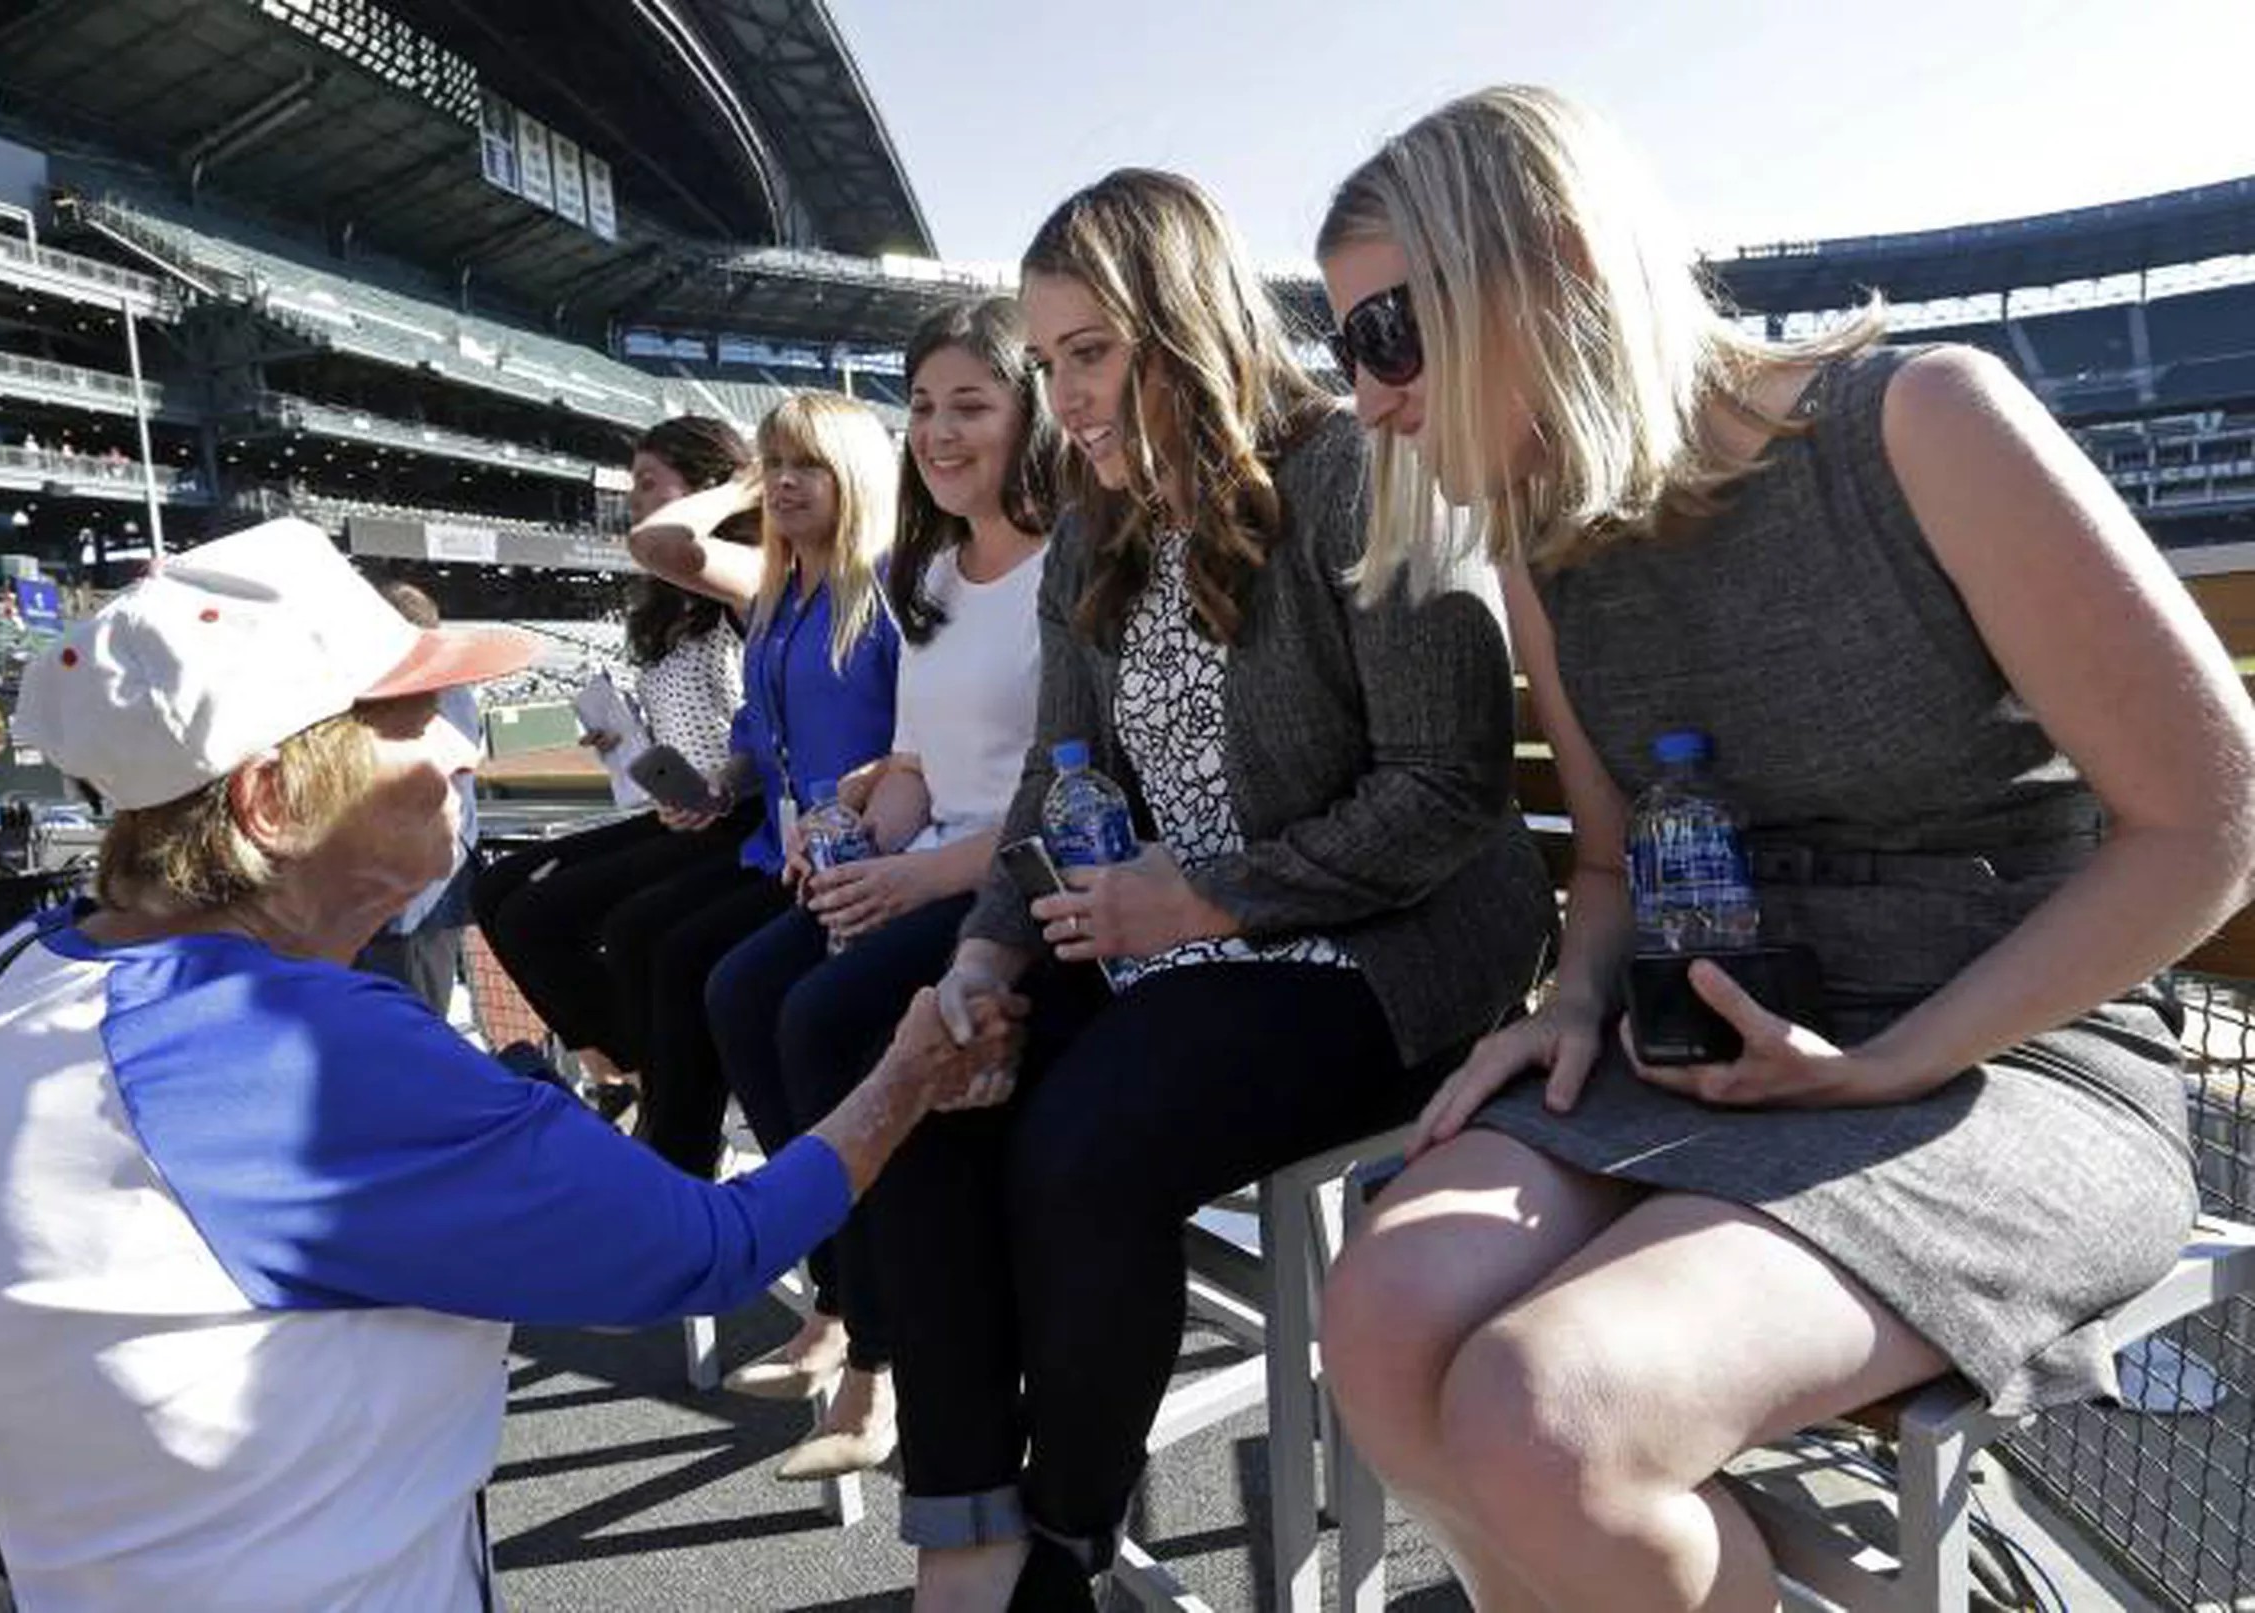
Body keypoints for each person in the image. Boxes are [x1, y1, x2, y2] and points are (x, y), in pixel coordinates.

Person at [1309, 86, 2255, 1613]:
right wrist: (1570, 1002)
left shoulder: (1919, 422)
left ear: (1554, 262)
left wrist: (1894, 1061)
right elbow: (1608, 867)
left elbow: (2211, 823)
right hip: (1719, 1046)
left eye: (1388, 335)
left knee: (1550, 1416)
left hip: (2016, 1061)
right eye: (1347, 349)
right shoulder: (1549, 537)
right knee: (1380, 1317)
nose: (1367, 400)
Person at [0, 517, 1004, 1613]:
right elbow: (713, 1246)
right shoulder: (292, 1048)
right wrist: (904, 1073)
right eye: (408, 715)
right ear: (270, 799)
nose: (460, 744)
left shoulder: (3, 973)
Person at [872, 170, 1557, 1611]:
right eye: (1048, 362)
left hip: (1381, 943)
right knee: (929, 1066)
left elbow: (1445, 790)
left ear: (1185, 324)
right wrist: (985, 959)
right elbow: (1058, 782)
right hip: (1175, 939)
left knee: (1086, 1142)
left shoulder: (1350, 469)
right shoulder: (1093, 528)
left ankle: (1062, 1546)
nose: (1065, 399)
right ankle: (967, 1520)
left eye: (1091, 353)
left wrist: (1208, 900)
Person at [703, 297, 1060, 1483]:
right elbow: (913, 765)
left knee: (821, 1016)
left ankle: (877, 1354)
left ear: (1028, 414)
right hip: (932, 861)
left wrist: (908, 876)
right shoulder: (934, 573)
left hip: (1018, 883)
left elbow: (1065, 796)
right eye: (921, 408)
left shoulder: (1067, 571)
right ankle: (848, 1296)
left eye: (971, 405)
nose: (940, 433)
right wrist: (848, 832)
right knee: (742, 989)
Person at [604, 391, 901, 1178]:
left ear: (856, 474)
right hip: (786, 853)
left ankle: (763, 1189)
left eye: (809, 465)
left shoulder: (889, 587)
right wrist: (722, 783)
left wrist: (742, 482)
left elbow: (926, 741)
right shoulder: (777, 592)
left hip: (868, 859)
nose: (784, 482)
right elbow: (760, 734)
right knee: (679, 956)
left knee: (726, 982)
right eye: (774, 465)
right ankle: (714, 1174)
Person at [471, 416, 757, 1111]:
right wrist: (623, 737)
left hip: (735, 813)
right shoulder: (668, 606)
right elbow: (691, 716)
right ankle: (629, 1072)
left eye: (650, 483)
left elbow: (763, 721)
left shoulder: (747, 586)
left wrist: (742, 488)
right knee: (498, 887)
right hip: (679, 805)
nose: (635, 501)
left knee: (553, 916)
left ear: (707, 487)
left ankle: (650, 1082)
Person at [355, 578, 481, 1016]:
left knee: (415, 1019)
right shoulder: (411, 684)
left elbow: (439, 785)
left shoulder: (440, 688)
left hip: (417, 898)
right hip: (389, 898)